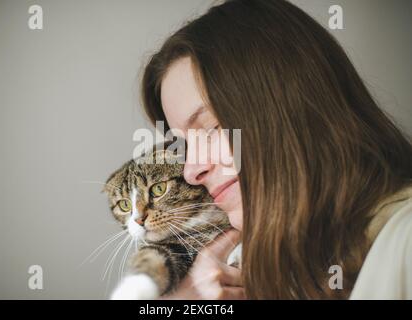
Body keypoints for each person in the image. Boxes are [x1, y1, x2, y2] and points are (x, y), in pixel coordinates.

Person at [139, 0, 412, 299]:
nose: (191, 171)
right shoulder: (241, 273)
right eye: (185, 146)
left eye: (210, 129)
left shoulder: (405, 246)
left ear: (290, 106)